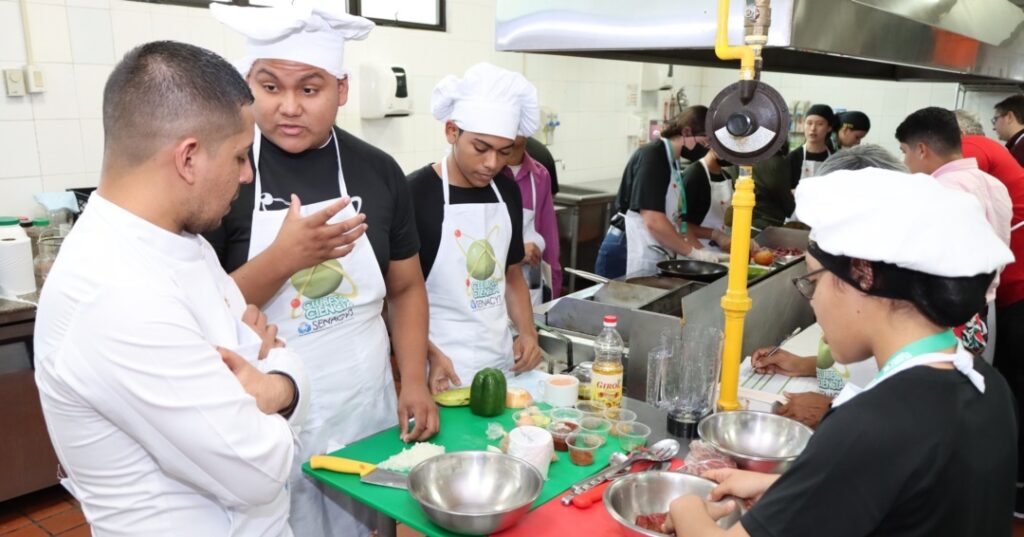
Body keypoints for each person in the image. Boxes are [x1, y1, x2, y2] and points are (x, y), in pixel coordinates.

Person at [34, 41, 309, 536]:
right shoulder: (115, 294)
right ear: (188, 158)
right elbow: (259, 470)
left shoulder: (188, 244)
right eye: (241, 157)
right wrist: (281, 378)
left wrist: (269, 383)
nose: (247, 176)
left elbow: (263, 358)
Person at [667, 169, 1017, 537]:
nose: (814, 302)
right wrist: (783, 487)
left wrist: (685, 504)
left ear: (863, 275)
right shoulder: (985, 384)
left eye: (813, 281)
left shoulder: (872, 423)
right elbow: (904, 496)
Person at [208, 3, 437, 535]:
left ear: (342, 89)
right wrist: (285, 257)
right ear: (248, 87)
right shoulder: (224, 174)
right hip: (267, 411)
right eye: (270, 87)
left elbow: (405, 289)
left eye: (309, 89)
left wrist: (415, 383)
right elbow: (202, 305)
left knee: (369, 525)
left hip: (363, 404)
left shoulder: (378, 172)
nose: (289, 107)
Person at [407, 62, 543, 390]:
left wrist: (527, 332)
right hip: (437, 367)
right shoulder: (414, 193)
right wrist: (426, 354)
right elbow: (396, 296)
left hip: (500, 363)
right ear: (452, 131)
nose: (492, 163)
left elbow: (511, 275)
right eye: (480, 148)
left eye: (504, 152)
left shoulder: (506, 190)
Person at [750, 144, 905, 428]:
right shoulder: (879, 320)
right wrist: (805, 366)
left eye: (817, 280)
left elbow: (904, 421)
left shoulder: (912, 348)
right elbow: (852, 378)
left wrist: (832, 412)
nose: (813, 301)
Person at [956, 108, 1024, 516]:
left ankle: (1014, 488)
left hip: (1014, 282)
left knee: (1013, 382)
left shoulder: (970, 150)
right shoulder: (993, 153)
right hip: (1006, 281)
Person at [620, 107, 725, 275]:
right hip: (626, 249)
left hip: (653, 250)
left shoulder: (673, 163)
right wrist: (692, 252)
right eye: (702, 142)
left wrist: (702, 252)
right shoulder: (653, 157)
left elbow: (677, 221)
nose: (704, 149)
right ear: (686, 131)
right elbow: (653, 220)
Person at [504, 135, 562, 303]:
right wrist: (514, 254)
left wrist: (554, 293)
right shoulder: (485, 173)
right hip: (491, 293)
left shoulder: (540, 175)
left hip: (530, 287)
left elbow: (550, 243)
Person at [681, 147, 736, 250]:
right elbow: (678, 224)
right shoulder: (694, 175)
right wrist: (715, 235)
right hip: (696, 251)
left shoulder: (727, 177)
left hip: (720, 251)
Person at [787, 104, 835, 189]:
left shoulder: (834, 158)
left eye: (820, 124)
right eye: (809, 123)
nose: (813, 128)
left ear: (829, 128)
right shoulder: (793, 157)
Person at [750, 144, 792, 231]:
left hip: (740, 221)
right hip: (767, 224)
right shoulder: (776, 162)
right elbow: (785, 200)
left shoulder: (739, 157)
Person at [992, 94, 1024, 166]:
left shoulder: (1021, 148)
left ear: (1009, 117)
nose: (994, 128)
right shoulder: (1018, 144)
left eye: (995, 119)